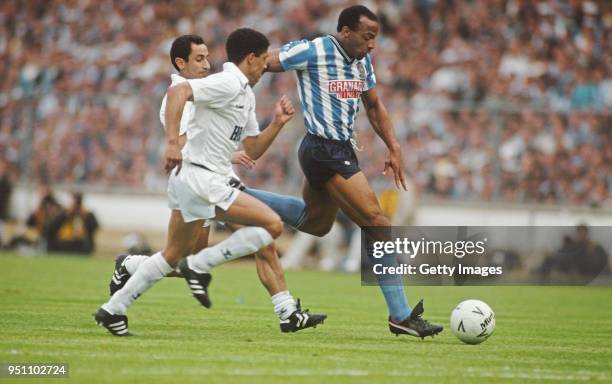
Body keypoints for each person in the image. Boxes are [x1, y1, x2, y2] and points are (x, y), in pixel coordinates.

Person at [95, 28, 326, 336]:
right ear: (251, 58)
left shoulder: (238, 89)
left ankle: (115, 303)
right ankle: (265, 300)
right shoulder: (219, 84)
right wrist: (172, 145)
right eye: (199, 59)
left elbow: (252, 147)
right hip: (203, 177)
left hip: (202, 176)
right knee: (268, 228)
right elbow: (180, 109)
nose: (206, 64)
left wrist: (278, 124)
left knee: (176, 256)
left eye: (207, 57)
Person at [260, 5, 442, 338]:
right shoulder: (314, 49)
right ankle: (400, 315)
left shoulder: (361, 62)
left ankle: (233, 196)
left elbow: (373, 105)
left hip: (336, 150)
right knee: (377, 222)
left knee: (315, 223)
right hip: (323, 148)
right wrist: (232, 76)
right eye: (367, 36)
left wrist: (394, 146)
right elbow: (264, 60)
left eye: (375, 37)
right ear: (346, 32)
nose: (372, 44)